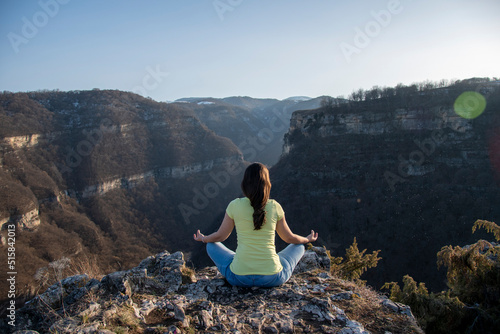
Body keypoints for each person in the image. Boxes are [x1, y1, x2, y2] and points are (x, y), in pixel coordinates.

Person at [193, 162, 318, 287]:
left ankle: (242, 261)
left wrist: (204, 238)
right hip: (272, 278)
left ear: (245, 184)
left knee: (211, 245)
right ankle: (266, 263)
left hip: (239, 278)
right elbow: (289, 238)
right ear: (267, 184)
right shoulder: (275, 206)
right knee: (299, 247)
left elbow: (220, 236)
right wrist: (307, 239)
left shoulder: (235, 205)